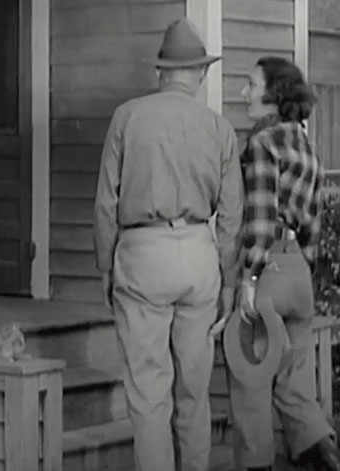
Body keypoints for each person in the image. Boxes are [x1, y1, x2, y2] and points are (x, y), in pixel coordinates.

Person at [93, 18, 243, 471]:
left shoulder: (127, 117)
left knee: (148, 394)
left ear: (161, 72)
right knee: (195, 393)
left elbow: (105, 204)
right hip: (199, 255)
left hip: (142, 256)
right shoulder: (220, 130)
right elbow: (232, 217)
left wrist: (106, 266)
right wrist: (230, 284)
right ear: (200, 73)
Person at [220, 56, 340, 471]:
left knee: (249, 379)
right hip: (298, 276)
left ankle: (256, 465)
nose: (243, 92)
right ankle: (324, 453)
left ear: (273, 94)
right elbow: (314, 223)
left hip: (266, 270)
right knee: (295, 383)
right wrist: (298, 265)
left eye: (250, 84)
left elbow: (260, 217)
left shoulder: (261, 144)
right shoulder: (305, 144)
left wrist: (250, 278)